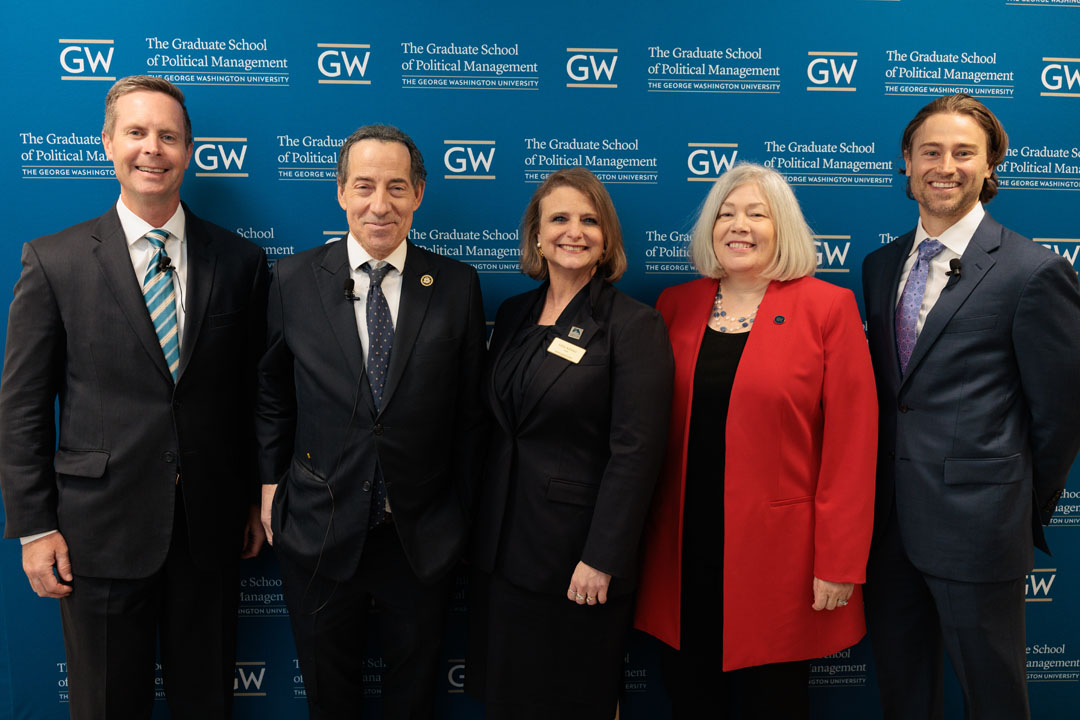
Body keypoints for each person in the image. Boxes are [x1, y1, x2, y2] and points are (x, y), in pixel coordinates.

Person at [0, 75, 269, 719]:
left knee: (205, 702)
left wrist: (258, 495)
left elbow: (256, 393)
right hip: (97, 533)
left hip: (209, 531)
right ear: (107, 143)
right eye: (138, 133)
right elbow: (23, 407)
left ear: (191, 150)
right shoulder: (55, 260)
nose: (153, 149)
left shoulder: (241, 262)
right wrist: (34, 527)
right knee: (106, 705)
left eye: (169, 136)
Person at [862, 94, 1080, 720]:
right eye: (930, 151)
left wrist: (1014, 505)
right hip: (887, 529)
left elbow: (1060, 415)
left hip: (980, 531)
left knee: (994, 700)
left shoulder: (1033, 271)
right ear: (907, 162)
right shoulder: (880, 266)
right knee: (906, 695)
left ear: (991, 167)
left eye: (964, 153)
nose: (945, 165)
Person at [256, 123, 485, 719]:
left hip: (420, 534)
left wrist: (461, 511)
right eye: (364, 186)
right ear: (340, 193)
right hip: (319, 526)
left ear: (419, 194)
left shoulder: (457, 284)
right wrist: (269, 487)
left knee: (414, 697)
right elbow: (272, 394)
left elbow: (468, 413)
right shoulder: (291, 279)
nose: (379, 205)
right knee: (330, 697)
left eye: (396, 187)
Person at [634, 162, 877, 718]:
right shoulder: (675, 305)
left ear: (782, 227)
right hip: (681, 549)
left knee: (773, 702)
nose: (738, 225)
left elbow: (852, 445)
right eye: (725, 212)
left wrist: (838, 561)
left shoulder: (827, 308)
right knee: (690, 696)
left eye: (756, 213)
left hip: (779, 560)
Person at [467, 167, 673, 719]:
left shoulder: (633, 325)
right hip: (504, 552)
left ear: (607, 239)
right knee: (509, 702)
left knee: (573, 702)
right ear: (536, 235)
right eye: (559, 218)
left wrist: (601, 558)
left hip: (576, 562)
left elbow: (637, 452)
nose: (573, 232)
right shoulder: (513, 313)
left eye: (590, 220)